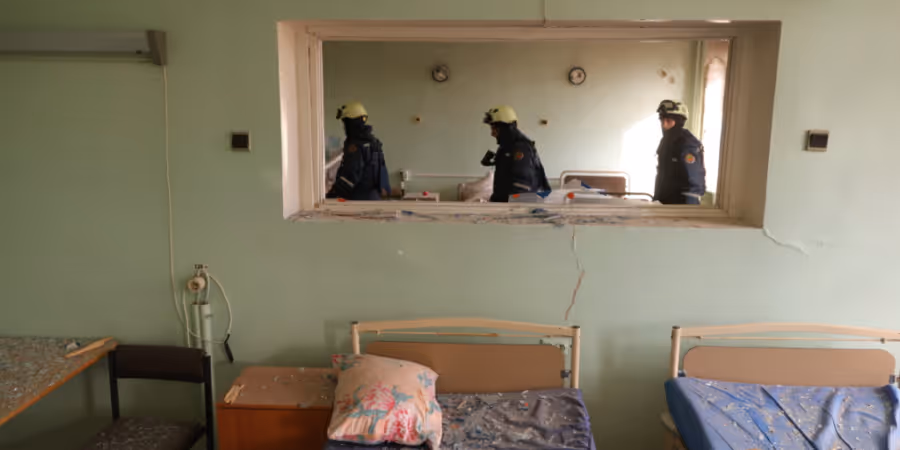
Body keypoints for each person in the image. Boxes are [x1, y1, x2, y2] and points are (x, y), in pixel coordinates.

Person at [480, 106, 551, 202]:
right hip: (511, 204)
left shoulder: (521, 149)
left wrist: (498, 203)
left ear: (505, 128)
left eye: (494, 128)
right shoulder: (507, 147)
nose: (492, 133)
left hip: (519, 206)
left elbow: (521, 189)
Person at [327, 102, 390, 200]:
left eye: (345, 123)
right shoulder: (374, 142)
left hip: (358, 200)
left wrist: (331, 196)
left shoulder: (356, 145)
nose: (344, 127)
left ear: (351, 123)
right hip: (374, 198)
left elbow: (350, 176)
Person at [654, 100, 706, 205]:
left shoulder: (687, 143)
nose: (664, 125)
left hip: (684, 202)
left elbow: (694, 176)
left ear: (679, 122)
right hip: (665, 199)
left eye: (668, 121)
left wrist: (688, 206)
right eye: (662, 120)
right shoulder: (666, 141)